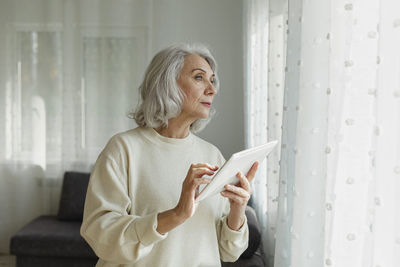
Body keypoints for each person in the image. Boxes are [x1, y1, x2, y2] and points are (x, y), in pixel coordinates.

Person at [80, 43, 259, 267]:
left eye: (212, 80)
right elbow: (101, 236)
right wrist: (176, 214)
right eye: (199, 78)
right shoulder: (123, 149)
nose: (212, 89)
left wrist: (237, 209)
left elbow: (228, 252)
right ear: (168, 83)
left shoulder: (212, 154)